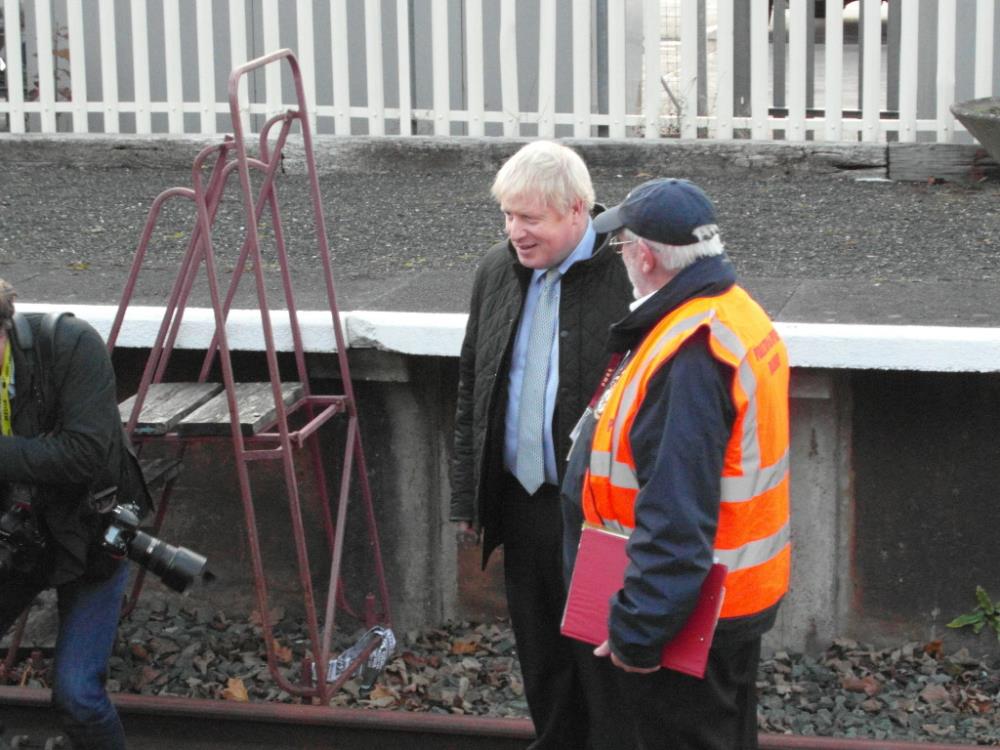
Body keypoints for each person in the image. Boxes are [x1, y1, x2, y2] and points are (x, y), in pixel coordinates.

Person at [561, 178, 791, 750]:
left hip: (691, 615)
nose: (621, 259)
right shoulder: (731, 312)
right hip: (728, 597)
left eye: (621, 247)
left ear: (644, 256)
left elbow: (676, 513)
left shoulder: (689, 352)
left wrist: (639, 632)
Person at [450, 140, 632, 748]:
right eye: (508, 215)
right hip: (525, 504)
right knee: (544, 661)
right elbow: (472, 386)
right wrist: (465, 499)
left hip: (597, 512)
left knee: (604, 665)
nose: (515, 232)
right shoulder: (495, 271)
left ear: (577, 211)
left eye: (531, 218)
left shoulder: (627, 277)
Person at [0, 279, 150, 750]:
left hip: (93, 533)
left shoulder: (69, 345)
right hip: (16, 540)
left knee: (78, 696)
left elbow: (81, 454)